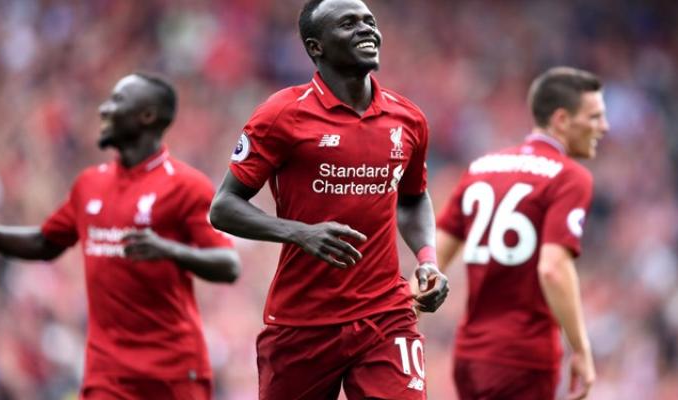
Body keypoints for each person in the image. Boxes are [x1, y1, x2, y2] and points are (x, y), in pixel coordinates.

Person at [0, 73, 241, 400]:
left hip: (171, 374)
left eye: (119, 102)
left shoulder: (186, 187)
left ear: (148, 117)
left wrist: (168, 250)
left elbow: (227, 264)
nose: (105, 110)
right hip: (107, 374)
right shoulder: (90, 185)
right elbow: (42, 243)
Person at [209, 0, 449, 398]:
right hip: (302, 323)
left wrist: (427, 260)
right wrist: (299, 233)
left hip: (386, 316)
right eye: (348, 23)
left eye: (369, 21)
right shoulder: (282, 114)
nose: (366, 29)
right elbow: (224, 207)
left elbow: (413, 198)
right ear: (315, 46)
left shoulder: (408, 118)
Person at [434, 67, 607, 400]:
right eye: (595, 116)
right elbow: (552, 268)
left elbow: (431, 263)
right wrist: (581, 349)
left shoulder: (481, 168)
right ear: (561, 119)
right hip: (522, 358)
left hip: (469, 356)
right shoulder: (569, 177)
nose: (604, 126)